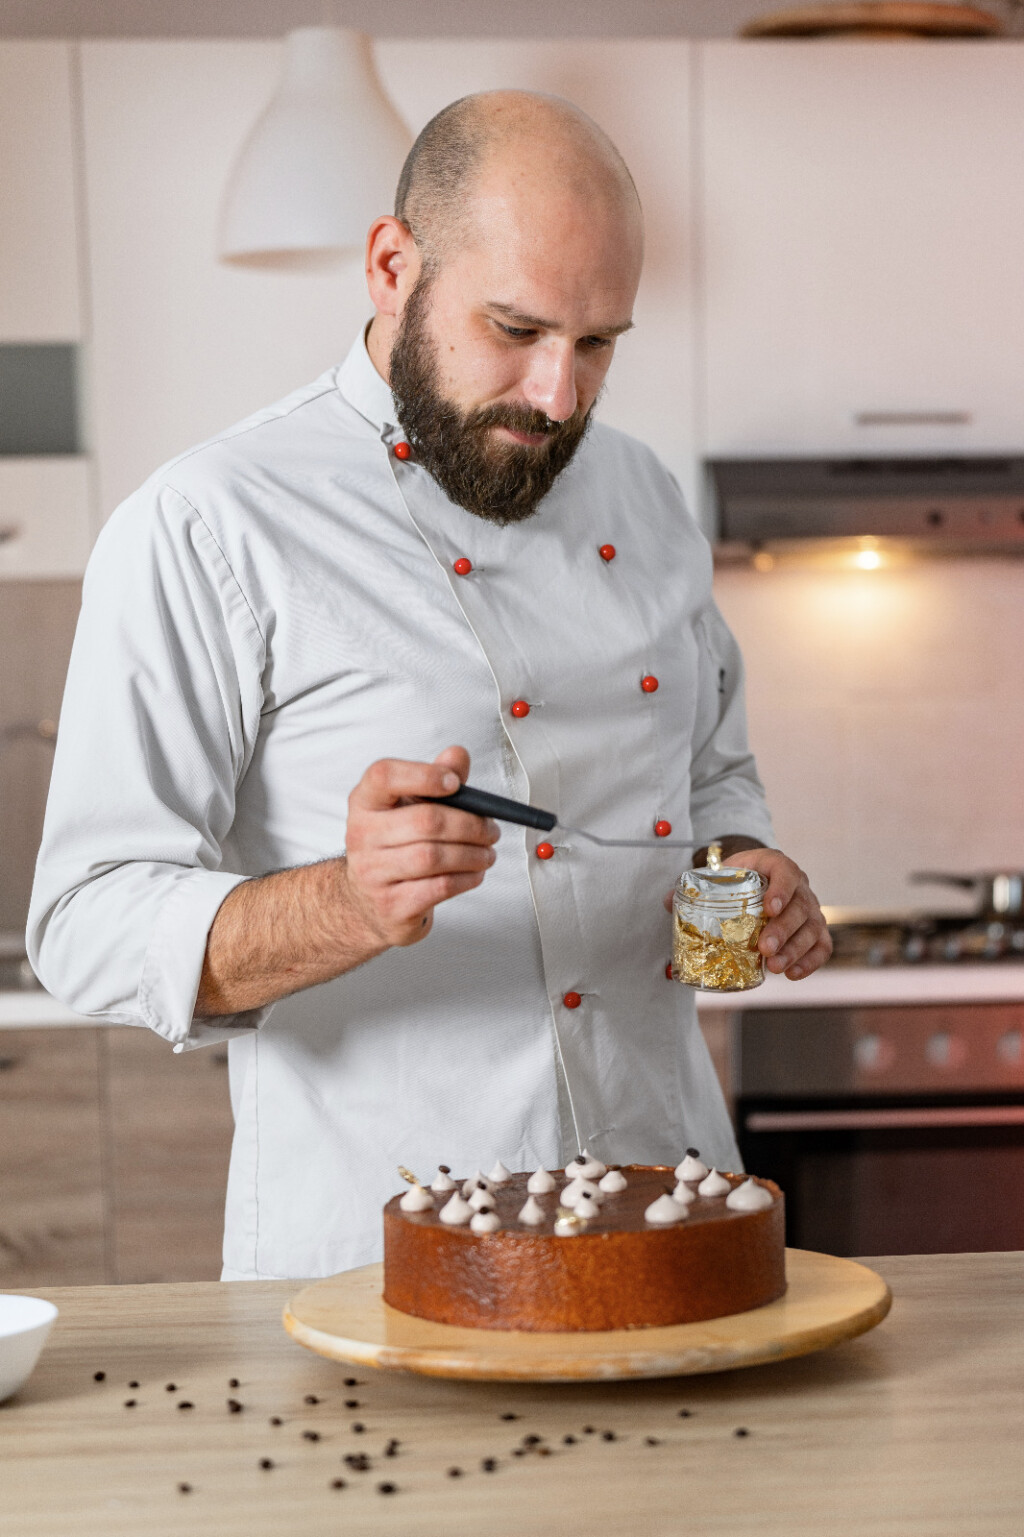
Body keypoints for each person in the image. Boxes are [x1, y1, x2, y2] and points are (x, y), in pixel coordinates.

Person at [28, 91, 831, 1280]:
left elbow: (710, 774)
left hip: (673, 1217)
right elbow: (81, 922)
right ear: (391, 266)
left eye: (599, 341)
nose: (558, 395)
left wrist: (747, 867)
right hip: (375, 1259)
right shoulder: (210, 523)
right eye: (513, 327)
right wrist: (346, 903)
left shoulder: (648, 499)